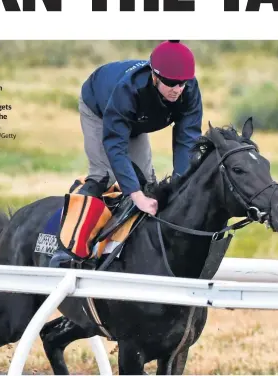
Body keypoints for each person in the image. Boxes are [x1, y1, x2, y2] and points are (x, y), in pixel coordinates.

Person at [49, 40, 203, 268]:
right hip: (100, 108)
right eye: (171, 83)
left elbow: (186, 142)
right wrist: (136, 196)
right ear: (155, 76)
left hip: (137, 119)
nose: (177, 89)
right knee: (103, 176)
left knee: (149, 184)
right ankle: (68, 248)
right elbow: (115, 145)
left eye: (182, 83)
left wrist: (182, 185)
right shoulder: (128, 89)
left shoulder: (189, 90)